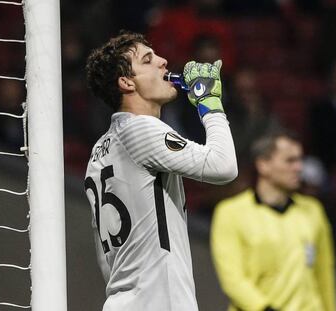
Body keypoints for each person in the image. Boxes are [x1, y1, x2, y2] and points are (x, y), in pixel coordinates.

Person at [84, 31, 237, 311]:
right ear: (126, 82)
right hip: (158, 301)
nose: (163, 61)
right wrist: (211, 105)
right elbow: (223, 166)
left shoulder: (99, 151)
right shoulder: (140, 128)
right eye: (148, 60)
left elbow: (105, 255)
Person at [210, 129, 336, 311]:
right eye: (290, 160)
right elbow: (232, 279)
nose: (299, 167)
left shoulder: (313, 211)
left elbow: (324, 273)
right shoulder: (230, 213)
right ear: (263, 165)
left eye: (300, 160)